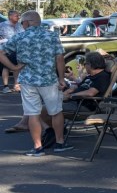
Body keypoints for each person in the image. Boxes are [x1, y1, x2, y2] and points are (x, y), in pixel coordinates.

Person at [0, 11, 72, 155]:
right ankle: (60, 143)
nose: (21, 25)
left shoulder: (19, 37)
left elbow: (1, 53)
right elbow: (59, 59)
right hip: (49, 79)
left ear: (27, 22)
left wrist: (14, 67)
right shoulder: (52, 36)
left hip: (28, 81)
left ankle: (38, 147)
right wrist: (61, 78)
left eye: (22, 22)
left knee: (33, 113)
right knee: (56, 112)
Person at [0, 11, 21, 93]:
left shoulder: (19, 25)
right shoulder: (2, 25)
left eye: (18, 16)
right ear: (10, 16)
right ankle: (6, 87)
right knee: (6, 67)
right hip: (6, 50)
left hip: (17, 49)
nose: (18, 17)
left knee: (16, 66)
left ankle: (16, 85)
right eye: (16, 16)